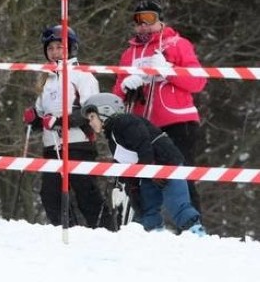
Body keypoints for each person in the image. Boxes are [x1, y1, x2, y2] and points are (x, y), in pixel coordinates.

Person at [112, 0, 206, 213]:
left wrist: (168, 70)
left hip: (177, 122)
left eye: (149, 19)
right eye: (138, 21)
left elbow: (198, 82)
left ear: (160, 20)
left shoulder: (177, 44)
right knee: (142, 177)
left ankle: (191, 225)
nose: (143, 25)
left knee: (179, 175)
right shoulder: (129, 54)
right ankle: (145, 224)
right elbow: (117, 91)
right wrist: (126, 86)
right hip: (142, 126)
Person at [23, 25, 114, 229]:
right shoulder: (47, 80)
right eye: (51, 48)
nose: (55, 52)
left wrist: (60, 121)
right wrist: (33, 118)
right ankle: (67, 232)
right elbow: (42, 116)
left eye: (59, 47)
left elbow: (90, 110)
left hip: (78, 144)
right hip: (52, 147)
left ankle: (106, 233)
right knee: (50, 196)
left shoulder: (82, 75)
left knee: (86, 194)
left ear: (71, 48)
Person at [82, 92, 206, 235]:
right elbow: (128, 165)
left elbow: (144, 143)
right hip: (148, 172)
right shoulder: (112, 137)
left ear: (105, 111)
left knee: (177, 204)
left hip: (166, 165)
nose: (90, 122)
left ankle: (198, 234)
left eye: (92, 117)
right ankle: (153, 237)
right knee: (147, 208)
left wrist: (151, 169)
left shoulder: (124, 122)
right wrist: (133, 188)